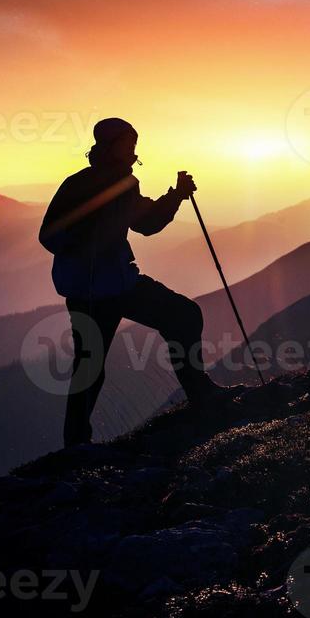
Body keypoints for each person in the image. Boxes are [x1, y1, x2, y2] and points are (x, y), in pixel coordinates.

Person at [39, 117, 225, 447]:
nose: (133, 151)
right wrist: (89, 239)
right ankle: (200, 394)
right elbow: (52, 234)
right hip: (103, 287)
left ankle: (76, 443)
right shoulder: (90, 184)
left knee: (91, 363)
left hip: (102, 286)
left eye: (133, 145)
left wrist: (177, 195)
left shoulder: (115, 183)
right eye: (127, 145)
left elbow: (143, 221)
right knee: (181, 316)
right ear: (109, 147)